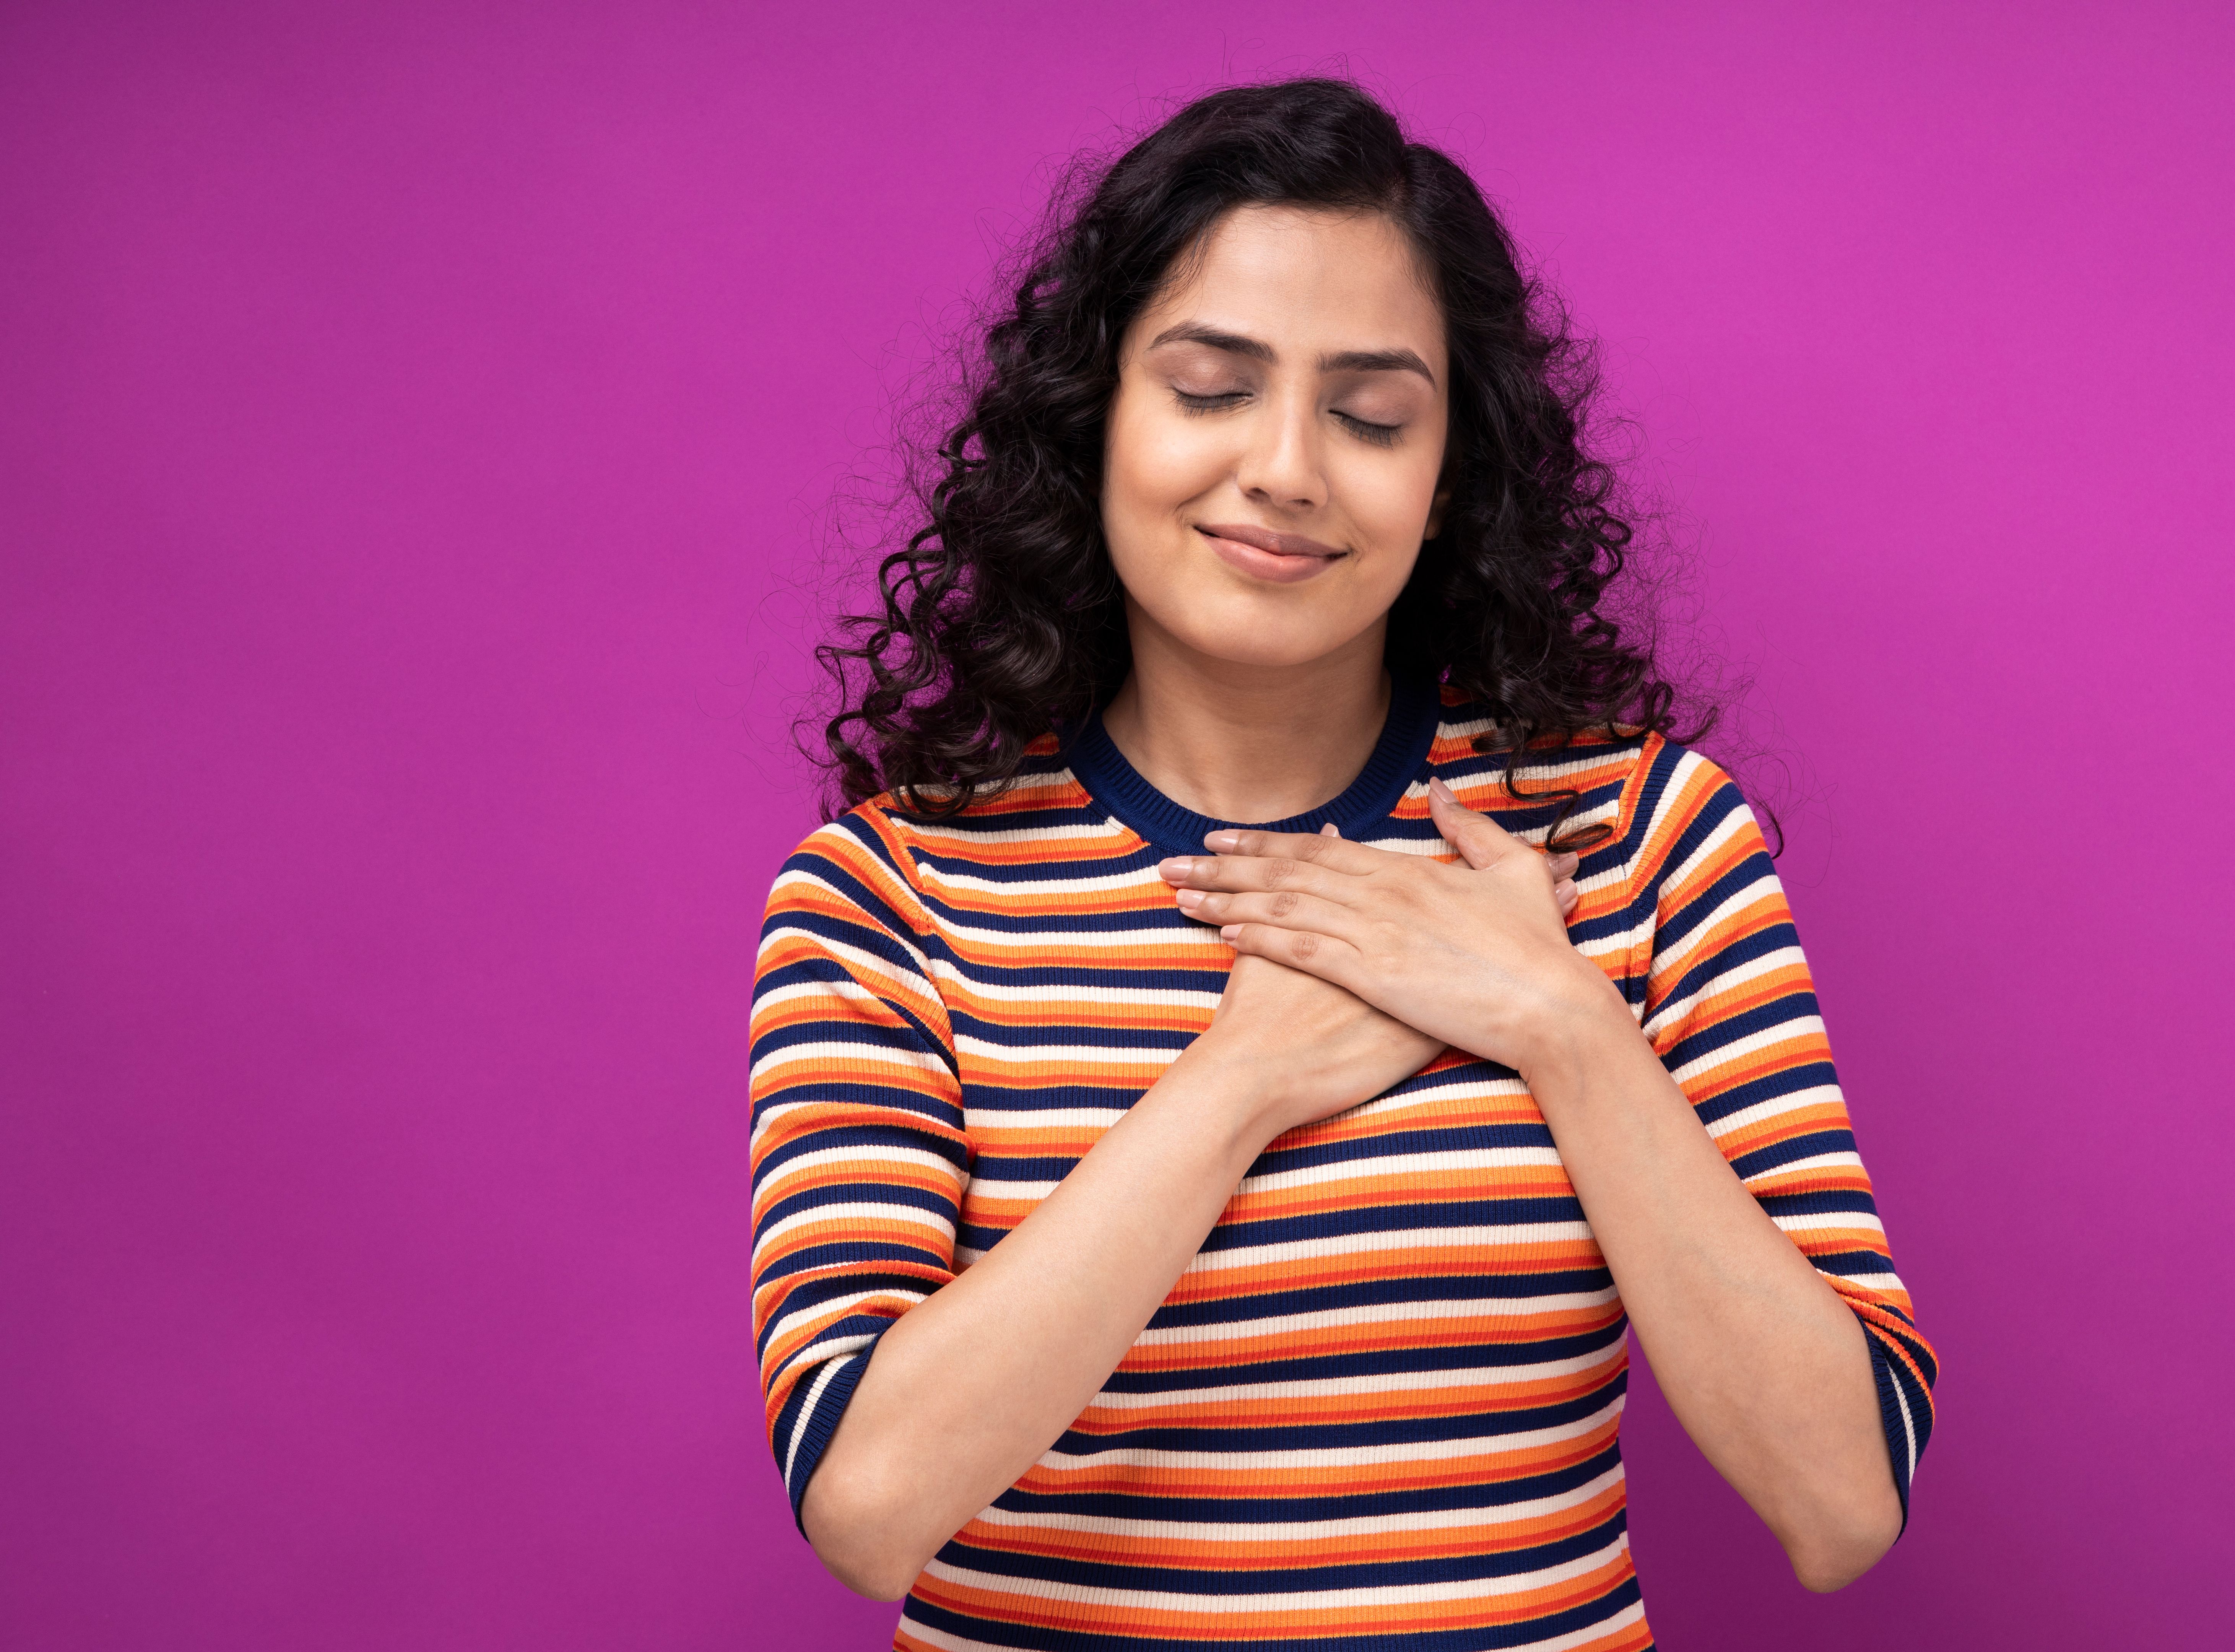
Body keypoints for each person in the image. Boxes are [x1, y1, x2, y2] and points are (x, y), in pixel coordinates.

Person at [748, 77, 1936, 1652]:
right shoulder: (887, 895)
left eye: (1372, 414)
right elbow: (868, 1503)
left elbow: (1845, 1499)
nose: (1289, 468)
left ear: (1454, 474)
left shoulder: (1638, 838)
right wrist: (1242, 1080)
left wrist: (1559, 1023)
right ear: (1093, 417)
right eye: (1211, 390)